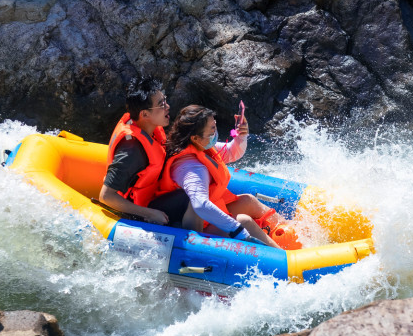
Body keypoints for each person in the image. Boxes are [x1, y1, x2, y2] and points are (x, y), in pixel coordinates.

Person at [157, 105, 300, 249]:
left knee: (247, 201)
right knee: (244, 222)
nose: (216, 131)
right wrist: (236, 229)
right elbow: (200, 205)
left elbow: (231, 152)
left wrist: (241, 136)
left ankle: (298, 237)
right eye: (212, 129)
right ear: (195, 137)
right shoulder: (191, 168)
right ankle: (285, 258)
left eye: (215, 125)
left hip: (207, 216)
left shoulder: (200, 146)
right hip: (192, 230)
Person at [99, 78, 191, 225]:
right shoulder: (131, 151)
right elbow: (106, 196)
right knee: (191, 198)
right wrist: (150, 213)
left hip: (153, 195)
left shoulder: (150, 130)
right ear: (144, 115)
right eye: (161, 104)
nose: (167, 106)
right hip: (138, 212)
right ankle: (196, 242)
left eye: (165, 100)